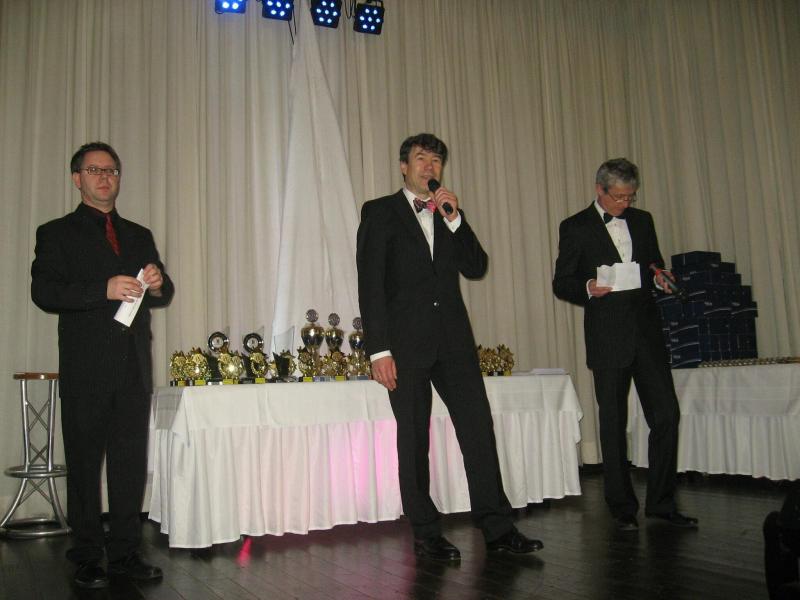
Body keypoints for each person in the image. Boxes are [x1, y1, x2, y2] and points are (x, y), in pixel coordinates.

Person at [356, 133, 542, 560]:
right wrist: (378, 350)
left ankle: (497, 527)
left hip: (454, 341)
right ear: (404, 166)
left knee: (478, 430)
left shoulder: (448, 212)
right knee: (414, 437)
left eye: (436, 160)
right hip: (405, 345)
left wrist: (456, 219)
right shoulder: (380, 212)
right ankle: (426, 531)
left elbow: (476, 266)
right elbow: (370, 284)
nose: (430, 167)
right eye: (421, 158)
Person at [31, 142, 174, 588]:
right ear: (78, 179)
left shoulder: (138, 234)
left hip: (133, 369)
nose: (104, 177)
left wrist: (157, 283)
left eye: (111, 170)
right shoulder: (56, 233)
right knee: (84, 466)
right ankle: (87, 556)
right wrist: (103, 289)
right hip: (86, 368)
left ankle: (127, 553)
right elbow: (44, 293)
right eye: (94, 170)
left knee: (129, 467)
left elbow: (164, 293)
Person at [552, 157, 697, 531]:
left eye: (630, 197)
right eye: (618, 197)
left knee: (666, 416)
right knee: (613, 424)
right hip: (607, 337)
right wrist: (587, 287)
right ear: (599, 189)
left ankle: (662, 503)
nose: (624, 203)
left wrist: (661, 277)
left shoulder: (643, 221)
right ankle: (621, 507)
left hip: (646, 335)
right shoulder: (575, 226)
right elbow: (562, 282)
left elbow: (653, 264)